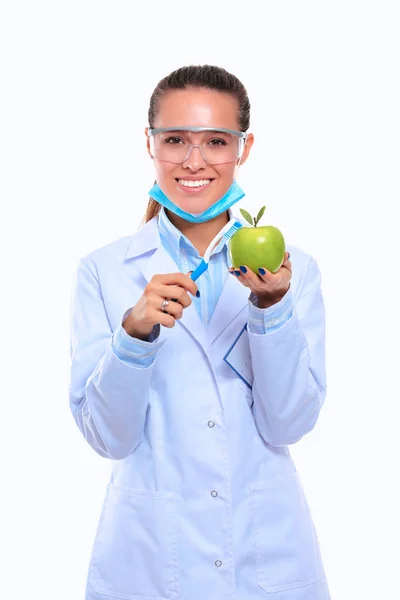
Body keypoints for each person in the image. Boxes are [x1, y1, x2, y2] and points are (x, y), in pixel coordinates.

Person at [69, 64, 331, 600]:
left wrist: (271, 308)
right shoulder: (106, 270)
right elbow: (108, 437)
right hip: (146, 561)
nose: (194, 161)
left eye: (215, 141)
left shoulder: (292, 270)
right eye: (175, 140)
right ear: (149, 144)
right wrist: (134, 337)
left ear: (245, 147)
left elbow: (287, 424)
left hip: (267, 555)